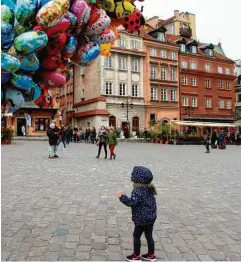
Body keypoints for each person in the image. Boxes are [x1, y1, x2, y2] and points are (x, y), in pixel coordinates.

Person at [116, 166, 157, 262]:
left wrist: (122, 197)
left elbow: (131, 203)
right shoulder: (150, 188)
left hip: (141, 219)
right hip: (151, 218)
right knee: (149, 235)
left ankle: (136, 256)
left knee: (136, 236)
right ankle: (151, 255)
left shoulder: (137, 191)